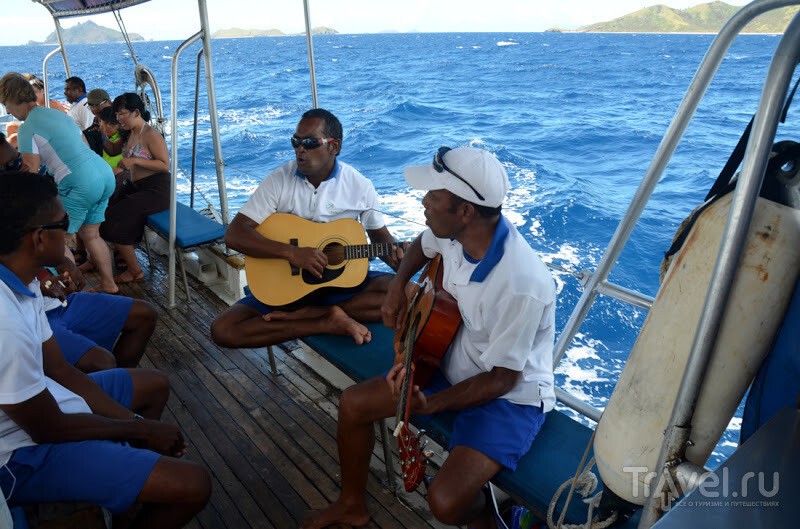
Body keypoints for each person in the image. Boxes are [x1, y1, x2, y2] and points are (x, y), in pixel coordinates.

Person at [301, 146, 556, 529]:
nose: (423, 202)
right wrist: (396, 286)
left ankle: (495, 513)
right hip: (456, 359)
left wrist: (431, 404)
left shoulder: (522, 283)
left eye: (433, 197)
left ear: (466, 211)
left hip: (509, 396)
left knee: (446, 503)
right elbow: (421, 245)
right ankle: (351, 505)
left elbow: (503, 378)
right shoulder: (454, 234)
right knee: (354, 405)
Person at [0, 170, 210, 527]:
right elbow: (48, 428)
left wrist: (133, 423)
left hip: (50, 404)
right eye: (63, 222)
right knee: (193, 484)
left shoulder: (23, 282)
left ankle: (129, 494)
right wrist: (139, 430)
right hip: (18, 455)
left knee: (154, 384)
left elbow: (61, 370)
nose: (69, 230)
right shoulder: (5, 322)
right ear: (38, 239)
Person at [210, 108, 405, 349]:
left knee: (404, 293)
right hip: (288, 286)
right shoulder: (280, 179)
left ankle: (315, 313)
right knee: (223, 331)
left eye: (311, 142)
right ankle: (324, 321)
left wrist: (401, 258)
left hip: (337, 286)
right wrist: (292, 253)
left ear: (334, 147)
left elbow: (380, 241)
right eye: (296, 141)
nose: (300, 149)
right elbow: (235, 234)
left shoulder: (360, 186)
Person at [0, 72, 118, 294]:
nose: (7, 111)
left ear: (14, 100)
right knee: (92, 234)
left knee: (59, 238)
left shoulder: (27, 129)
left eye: (6, 104)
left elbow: (32, 175)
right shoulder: (60, 114)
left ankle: (73, 295)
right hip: (103, 174)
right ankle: (109, 284)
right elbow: (84, 144)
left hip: (80, 182)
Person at [100, 93, 170, 283]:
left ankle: (135, 271)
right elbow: (113, 150)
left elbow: (164, 165)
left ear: (136, 112)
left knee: (115, 218)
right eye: (117, 114)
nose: (118, 118)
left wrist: (134, 160)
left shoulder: (151, 135)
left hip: (156, 190)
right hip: (135, 186)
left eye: (122, 114)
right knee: (104, 211)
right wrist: (98, 134)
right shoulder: (128, 133)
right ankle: (120, 258)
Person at [41, 268, 158, 372]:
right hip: (34, 316)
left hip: (61, 300)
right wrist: (41, 286)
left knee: (145, 314)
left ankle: (118, 385)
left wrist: (69, 265)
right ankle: (108, 388)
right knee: (103, 363)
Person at [83, 88, 112, 156]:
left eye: (96, 105)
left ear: (109, 102)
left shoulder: (121, 122)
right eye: (90, 106)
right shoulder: (94, 125)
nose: (94, 109)